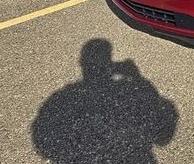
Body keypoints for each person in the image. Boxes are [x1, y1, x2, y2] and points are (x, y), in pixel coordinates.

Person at [32, 39, 178, 163]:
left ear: (82, 62)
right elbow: (163, 137)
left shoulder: (62, 98)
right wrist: (137, 77)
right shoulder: (132, 88)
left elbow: (42, 142)